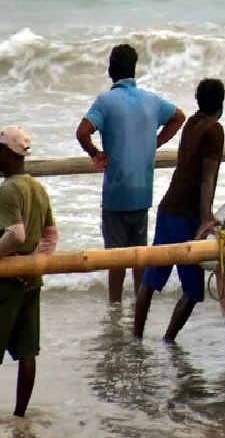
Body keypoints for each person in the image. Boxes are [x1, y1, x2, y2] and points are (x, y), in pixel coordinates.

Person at [76, 43, 185, 303]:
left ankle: (114, 308)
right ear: (133, 70)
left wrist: (95, 153)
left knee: (116, 258)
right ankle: (140, 307)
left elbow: (82, 132)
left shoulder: (105, 101)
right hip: (142, 191)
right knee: (139, 256)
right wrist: (154, 142)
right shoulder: (152, 100)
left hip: (116, 192)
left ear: (111, 70)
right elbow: (179, 117)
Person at [0, 126, 59, 422]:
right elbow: (50, 236)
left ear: (7, 153)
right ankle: (20, 417)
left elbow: (16, 234)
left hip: (3, 282)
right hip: (31, 280)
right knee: (26, 351)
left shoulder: (8, 189)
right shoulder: (36, 187)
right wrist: (32, 265)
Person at [134, 78, 225, 341]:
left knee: (151, 280)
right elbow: (207, 177)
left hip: (168, 209)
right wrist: (205, 218)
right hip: (185, 217)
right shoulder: (214, 129)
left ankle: (137, 338)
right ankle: (168, 340)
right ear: (221, 102)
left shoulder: (193, 122)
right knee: (194, 289)